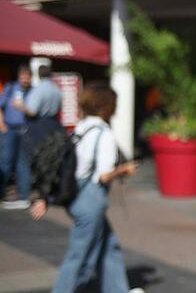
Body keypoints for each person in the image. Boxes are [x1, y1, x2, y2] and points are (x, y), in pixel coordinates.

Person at [29, 82, 143, 293]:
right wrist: (124, 170)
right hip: (90, 201)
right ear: (106, 106)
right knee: (80, 258)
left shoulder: (81, 128)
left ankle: (116, 289)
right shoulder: (104, 133)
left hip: (75, 197)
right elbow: (103, 176)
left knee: (109, 246)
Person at [9, 64, 63, 210]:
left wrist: (19, 105)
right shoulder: (57, 90)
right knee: (51, 159)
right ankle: (49, 193)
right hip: (54, 125)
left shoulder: (39, 90)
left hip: (39, 126)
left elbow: (32, 111)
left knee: (27, 161)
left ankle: (26, 196)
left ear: (38, 75)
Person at [0, 64, 33, 209]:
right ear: (19, 77)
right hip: (10, 130)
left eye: (27, 77)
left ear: (30, 78)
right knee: (5, 162)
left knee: (23, 164)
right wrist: (1, 124)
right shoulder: (10, 88)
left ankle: (24, 195)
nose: (25, 79)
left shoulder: (33, 91)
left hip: (26, 131)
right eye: (23, 76)